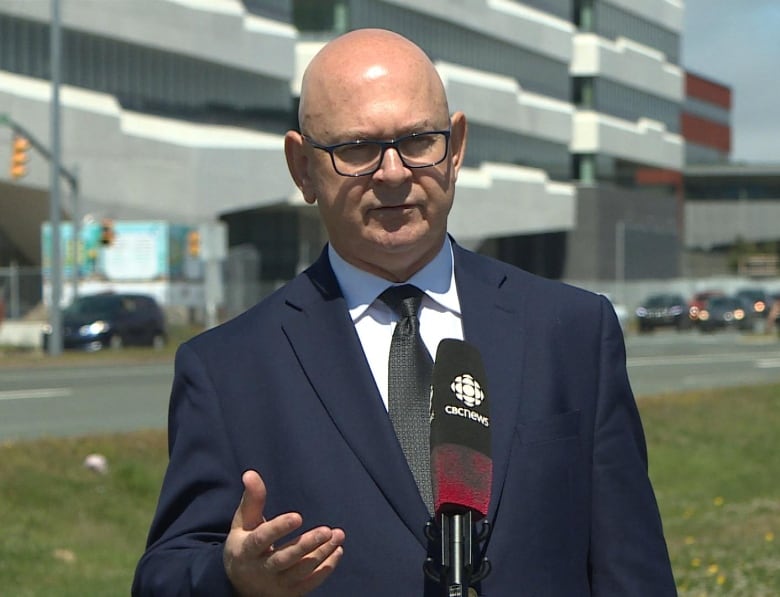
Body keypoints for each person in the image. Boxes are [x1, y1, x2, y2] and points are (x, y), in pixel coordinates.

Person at [133, 28, 676, 596]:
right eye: (357, 150)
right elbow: (163, 574)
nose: (393, 173)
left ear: (457, 146)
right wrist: (230, 577)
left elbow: (631, 568)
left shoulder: (571, 332)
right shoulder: (227, 369)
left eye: (418, 140)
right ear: (301, 168)